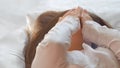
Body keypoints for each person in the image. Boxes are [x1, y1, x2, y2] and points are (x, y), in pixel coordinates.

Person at [24, 7, 120, 68]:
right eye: (80, 23)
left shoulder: (108, 56)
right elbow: (53, 43)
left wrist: (95, 30)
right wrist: (68, 22)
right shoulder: (47, 62)